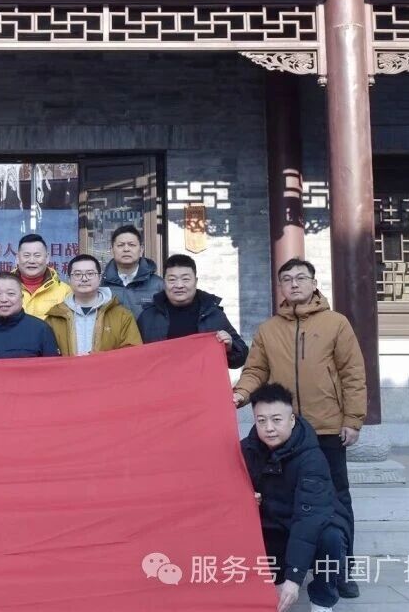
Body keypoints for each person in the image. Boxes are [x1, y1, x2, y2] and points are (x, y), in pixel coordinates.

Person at [233, 258, 367, 599]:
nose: (294, 284)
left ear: (314, 283)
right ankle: (287, 565)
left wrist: (352, 419)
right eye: (287, 279)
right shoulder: (268, 329)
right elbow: (255, 370)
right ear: (280, 286)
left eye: (301, 278)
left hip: (327, 427)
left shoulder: (336, 324)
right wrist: (241, 394)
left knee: (337, 501)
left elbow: (352, 373)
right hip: (285, 433)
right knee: (286, 500)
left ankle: (339, 571)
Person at [241, 383, 350, 612]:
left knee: (331, 538)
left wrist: (295, 578)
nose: (269, 428)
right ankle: (273, 582)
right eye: (261, 420)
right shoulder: (247, 450)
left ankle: (322, 601)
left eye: (276, 420)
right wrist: (245, 499)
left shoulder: (312, 459)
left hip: (308, 523)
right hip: (271, 525)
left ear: (291, 420)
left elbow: (309, 519)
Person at [136, 254, 249, 368]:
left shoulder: (212, 314)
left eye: (185, 279)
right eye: (172, 280)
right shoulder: (148, 317)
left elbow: (241, 357)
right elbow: (135, 358)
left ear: (196, 281)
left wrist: (230, 347)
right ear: (164, 283)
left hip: (203, 378)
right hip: (161, 378)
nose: (179, 285)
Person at [44, 254, 142, 356]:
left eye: (90, 273)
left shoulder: (122, 316)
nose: (84, 279)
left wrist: (99, 359)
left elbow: (133, 354)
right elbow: (46, 357)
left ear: (99, 278)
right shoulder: (54, 318)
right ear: (69, 279)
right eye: (77, 274)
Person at [0, 272, 60, 360]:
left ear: (22, 297)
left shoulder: (41, 330)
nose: (4, 299)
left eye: (10, 294)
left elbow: (53, 367)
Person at [101, 224, 164, 316]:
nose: (126, 249)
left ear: (141, 249)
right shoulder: (101, 285)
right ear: (112, 250)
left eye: (131, 245)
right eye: (120, 245)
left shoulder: (158, 285)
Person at [14, 233, 72, 319]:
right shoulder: (3, 289)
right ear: (17, 258)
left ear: (47, 257)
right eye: (26, 255)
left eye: (37, 255)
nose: (32, 261)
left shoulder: (65, 291)